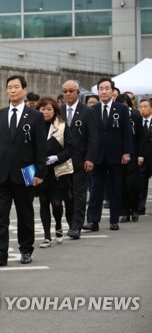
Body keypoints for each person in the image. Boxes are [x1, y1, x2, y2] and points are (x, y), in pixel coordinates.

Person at [0, 75, 46, 266]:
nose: (12, 90)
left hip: (26, 172)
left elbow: (40, 147)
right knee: (0, 216)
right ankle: (0, 253)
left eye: (16, 87)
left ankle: (26, 250)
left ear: (24, 90)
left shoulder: (35, 116)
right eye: (9, 87)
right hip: (1, 172)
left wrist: (39, 173)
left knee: (25, 214)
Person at [83, 78, 132, 231]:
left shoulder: (121, 109)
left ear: (112, 91)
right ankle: (92, 221)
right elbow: (88, 135)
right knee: (96, 190)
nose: (104, 91)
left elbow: (127, 133)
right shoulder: (92, 109)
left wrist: (127, 152)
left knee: (115, 189)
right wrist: (88, 156)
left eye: (107, 88)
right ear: (98, 92)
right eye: (101, 89)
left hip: (116, 155)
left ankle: (114, 220)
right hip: (97, 156)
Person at [60, 80, 97, 239]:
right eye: (65, 91)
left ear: (77, 93)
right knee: (67, 195)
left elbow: (93, 138)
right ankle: (71, 223)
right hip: (62, 162)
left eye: (71, 91)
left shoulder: (87, 111)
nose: (68, 94)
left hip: (80, 160)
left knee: (79, 194)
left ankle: (77, 226)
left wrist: (90, 158)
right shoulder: (59, 110)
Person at [35, 96, 74, 248]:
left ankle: (58, 225)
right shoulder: (33, 125)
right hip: (41, 170)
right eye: (42, 109)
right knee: (43, 202)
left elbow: (71, 149)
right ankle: (46, 237)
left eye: (49, 109)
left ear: (55, 110)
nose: (45, 112)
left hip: (58, 171)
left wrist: (56, 157)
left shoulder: (63, 126)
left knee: (56, 203)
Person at [115, 93, 145, 223]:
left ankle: (135, 209)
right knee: (121, 185)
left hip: (133, 155)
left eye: (125, 105)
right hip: (117, 155)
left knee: (132, 184)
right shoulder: (114, 117)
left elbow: (141, 138)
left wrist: (140, 155)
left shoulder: (136, 116)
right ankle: (124, 212)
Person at [138, 99, 152, 215]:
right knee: (142, 183)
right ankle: (140, 206)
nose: (143, 109)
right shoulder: (138, 122)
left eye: (145, 106)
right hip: (142, 157)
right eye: (141, 107)